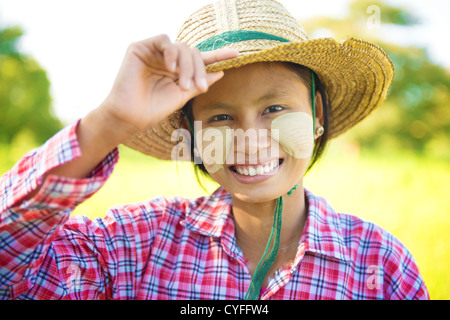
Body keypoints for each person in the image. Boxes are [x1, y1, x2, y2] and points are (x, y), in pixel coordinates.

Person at [0, 0, 428, 300]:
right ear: (191, 132)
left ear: (316, 114)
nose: (249, 138)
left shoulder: (380, 265)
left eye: (275, 108)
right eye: (220, 118)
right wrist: (111, 121)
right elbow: (10, 268)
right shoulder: (136, 245)